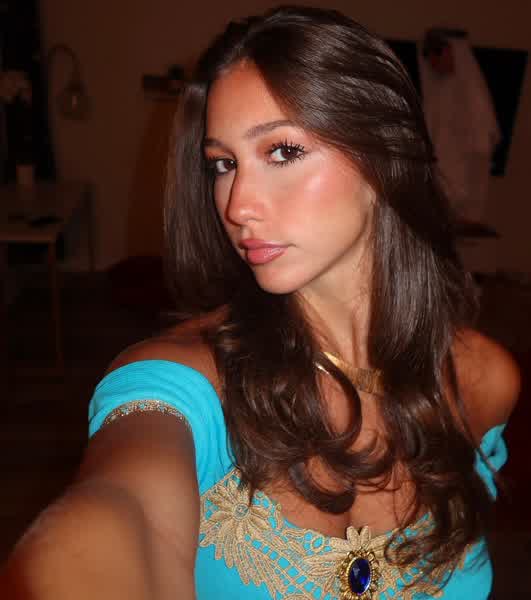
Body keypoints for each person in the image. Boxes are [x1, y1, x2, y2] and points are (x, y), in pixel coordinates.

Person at [1, 5, 520, 599]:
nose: (237, 204)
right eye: (223, 164)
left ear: (385, 154)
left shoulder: (483, 378)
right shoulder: (179, 384)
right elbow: (120, 512)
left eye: (282, 152)